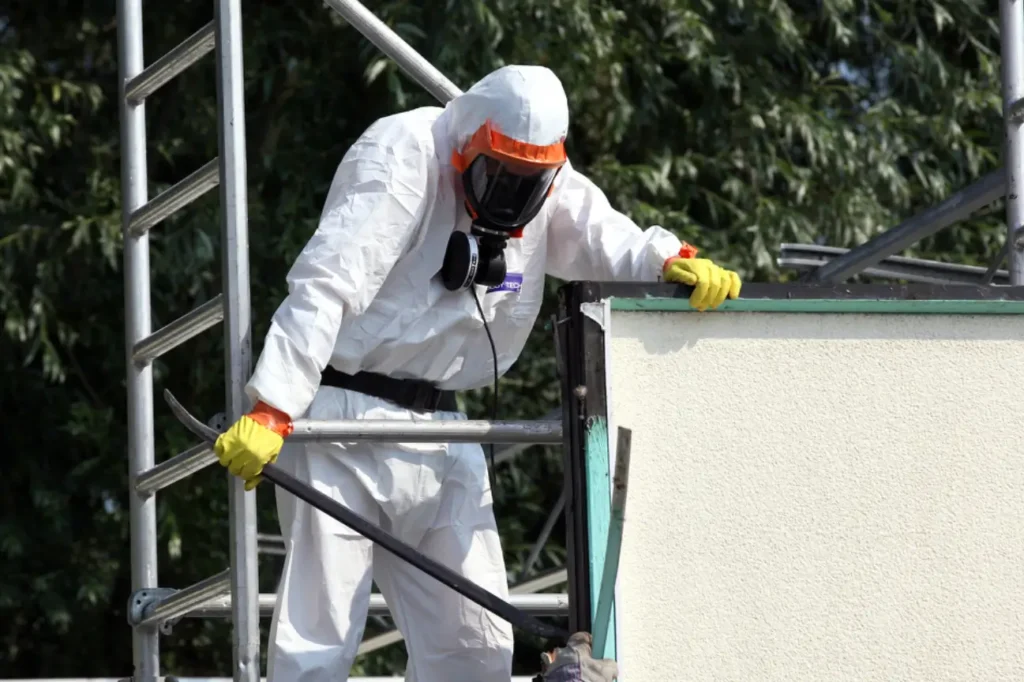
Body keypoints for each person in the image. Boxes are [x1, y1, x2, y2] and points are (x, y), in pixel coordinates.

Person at [213, 64, 741, 682]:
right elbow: (329, 280)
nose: (509, 196)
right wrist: (274, 402)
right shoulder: (405, 152)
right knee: (319, 644)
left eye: (528, 181)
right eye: (498, 175)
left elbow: (601, 233)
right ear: (467, 144)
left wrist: (667, 261)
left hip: (445, 430)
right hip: (339, 424)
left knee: (476, 651)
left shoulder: (548, 177)